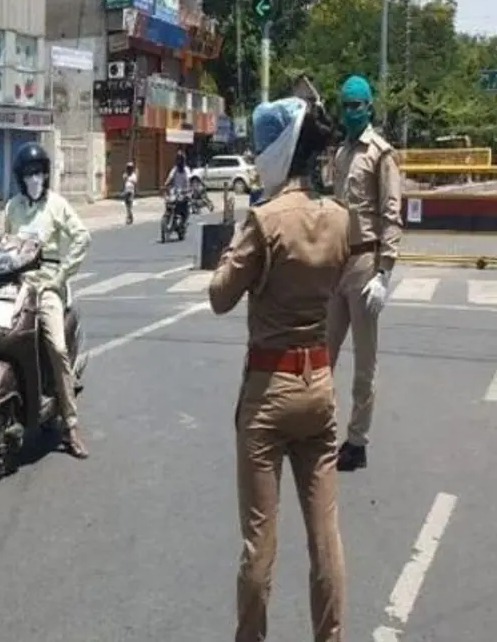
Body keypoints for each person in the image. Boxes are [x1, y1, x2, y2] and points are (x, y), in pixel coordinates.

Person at [209, 97, 348, 642]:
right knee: (325, 536)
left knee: (260, 541)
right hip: (319, 386)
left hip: (269, 392)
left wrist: (229, 254)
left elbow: (221, 296)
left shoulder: (264, 219)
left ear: (277, 149)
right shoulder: (338, 217)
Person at [326, 75, 402, 472]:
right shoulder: (340, 154)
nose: (351, 111)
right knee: (324, 355)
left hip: (364, 265)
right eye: (346, 105)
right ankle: (321, 430)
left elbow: (391, 215)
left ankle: (357, 441)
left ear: (369, 107)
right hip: (337, 263)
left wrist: (384, 273)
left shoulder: (380, 154)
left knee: (364, 363)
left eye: (357, 105)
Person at [4, 141, 92, 458]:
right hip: (18, 284)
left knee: (55, 346)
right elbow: (5, 246)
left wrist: (62, 275)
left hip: (48, 286)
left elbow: (82, 236)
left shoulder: (57, 205)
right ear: (19, 177)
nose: (34, 178)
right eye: (28, 173)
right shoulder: (12, 208)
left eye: (38, 172)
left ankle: (70, 425)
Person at [164, 151, 192, 228]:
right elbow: (170, 178)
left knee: (185, 205)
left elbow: (189, 180)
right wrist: (166, 184)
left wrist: (188, 189)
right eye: (177, 159)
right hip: (175, 192)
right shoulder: (174, 169)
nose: (178, 161)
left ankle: (183, 222)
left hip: (184, 192)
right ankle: (169, 216)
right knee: (169, 201)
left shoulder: (186, 170)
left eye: (180, 159)